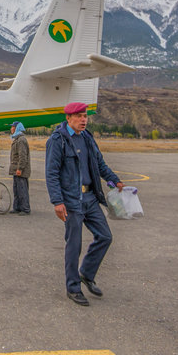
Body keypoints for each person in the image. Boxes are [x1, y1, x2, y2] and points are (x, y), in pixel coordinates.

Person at [45, 102, 124, 306]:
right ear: (68, 118)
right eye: (79, 116)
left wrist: (115, 179)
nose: (84, 119)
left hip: (89, 198)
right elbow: (51, 173)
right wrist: (57, 201)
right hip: (71, 201)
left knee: (105, 236)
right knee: (74, 245)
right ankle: (73, 288)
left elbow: (99, 164)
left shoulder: (87, 138)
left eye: (85, 116)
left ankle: (86, 274)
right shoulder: (58, 140)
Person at [9, 121, 31, 214]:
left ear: (16, 128)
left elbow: (23, 156)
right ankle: (17, 207)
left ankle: (25, 208)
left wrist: (20, 168)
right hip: (16, 169)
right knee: (16, 189)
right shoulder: (17, 139)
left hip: (20, 170)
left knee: (22, 189)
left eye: (13, 127)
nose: (11, 128)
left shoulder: (21, 140)